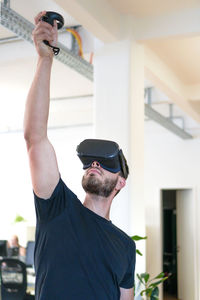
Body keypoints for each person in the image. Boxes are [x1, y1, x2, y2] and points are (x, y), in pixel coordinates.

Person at [24, 11, 136, 300]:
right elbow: (35, 138)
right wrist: (45, 59)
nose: (94, 164)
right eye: (90, 162)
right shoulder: (57, 208)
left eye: (105, 163)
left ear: (120, 182)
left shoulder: (124, 246)